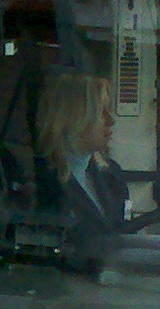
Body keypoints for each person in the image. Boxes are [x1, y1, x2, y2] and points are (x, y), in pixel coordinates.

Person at [33, 72, 129, 273]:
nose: (111, 120)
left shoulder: (111, 174)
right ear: (74, 118)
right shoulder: (39, 181)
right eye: (101, 112)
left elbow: (125, 233)